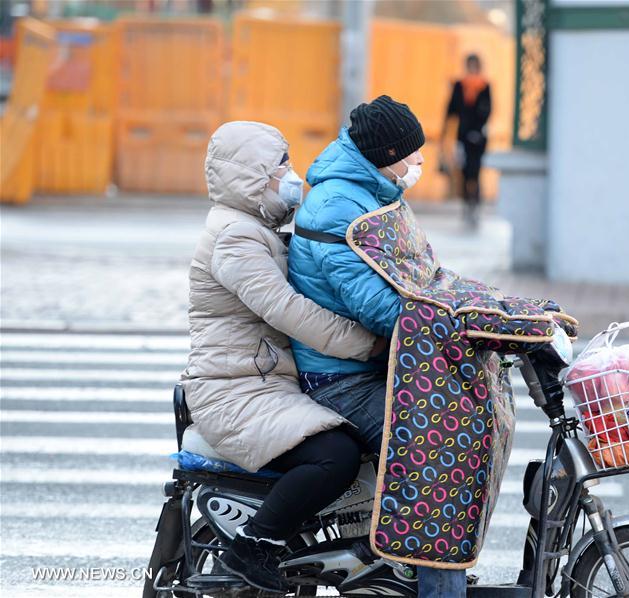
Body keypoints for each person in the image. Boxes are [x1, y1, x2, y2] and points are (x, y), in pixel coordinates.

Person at [181, 121, 385, 593]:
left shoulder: (259, 227)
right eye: (281, 166)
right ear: (251, 176)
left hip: (263, 383)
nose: (292, 175)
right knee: (335, 455)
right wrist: (370, 345)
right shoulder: (236, 238)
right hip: (233, 391)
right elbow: (290, 311)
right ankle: (254, 544)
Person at [287, 96, 467, 597]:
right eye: (411, 155)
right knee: (436, 451)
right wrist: (455, 329)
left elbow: (416, 273)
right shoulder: (338, 205)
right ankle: (437, 584)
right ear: (387, 153)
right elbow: (376, 305)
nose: (418, 164)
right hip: (339, 378)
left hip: (371, 362)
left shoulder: (374, 190)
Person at [442, 53, 491, 227]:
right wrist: (446, 133)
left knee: (475, 171)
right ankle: (466, 205)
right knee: (463, 171)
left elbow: (487, 111)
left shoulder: (484, 86)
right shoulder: (459, 85)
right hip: (462, 137)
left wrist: (477, 130)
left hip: (478, 139)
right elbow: (451, 110)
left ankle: (475, 205)